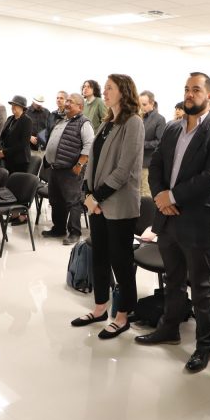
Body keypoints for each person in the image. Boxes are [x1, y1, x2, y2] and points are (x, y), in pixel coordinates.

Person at [134, 71, 210, 374]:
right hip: (168, 219)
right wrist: (160, 197)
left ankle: (204, 345)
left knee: (201, 287)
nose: (190, 94)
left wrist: (173, 196)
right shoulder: (173, 129)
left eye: (197, 90)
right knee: (173, 280)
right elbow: (156, 166)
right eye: (187, 89)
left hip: (197, 221)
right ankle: (169, 328)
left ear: (209, 96)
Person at [74, 74, 144, 339]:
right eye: (104, 88)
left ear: (124, 91)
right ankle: (100, 308)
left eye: (109, 88)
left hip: (118, 204)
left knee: (120, 261)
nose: (104, 92)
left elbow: (124, 169)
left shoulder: (133, 122)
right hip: (98, 202)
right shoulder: (107, 122)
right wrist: (87, 192)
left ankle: (123, 315)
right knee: (100, 257)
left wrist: (97, 197)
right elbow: (93, 161)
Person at [43, 93, 94, 245]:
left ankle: (75, 232)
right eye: (67, 101)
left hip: (71, 170)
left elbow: (89, 145)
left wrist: (79, 165)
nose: (66, 103)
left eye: (71, 101)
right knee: (56, 200)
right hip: (55, 168)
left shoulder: (84, 123)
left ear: (80, 107)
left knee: (73, 202)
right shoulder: (62, 120)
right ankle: (58, 228)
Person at [0, 95, 33, 174]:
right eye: (12, 105)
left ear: (22, 107)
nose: (13, 107)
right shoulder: (10, 118)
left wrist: (4, 152)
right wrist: (0, 149)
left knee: (14, 181)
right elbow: (2, 136)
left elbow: (23, 143)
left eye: (16, 105)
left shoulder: (27, 121)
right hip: (7, 158)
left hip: (19, 160)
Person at [139, 90, 166, 197]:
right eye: (140, 104)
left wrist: (142, 144)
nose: (141, 107)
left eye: (144, 104)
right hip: (136, 162)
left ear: (152, 103)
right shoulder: (139, 117)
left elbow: (160, 142)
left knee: (145, 194)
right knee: (136, 193)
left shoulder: (160, 119)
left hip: (148, 163)